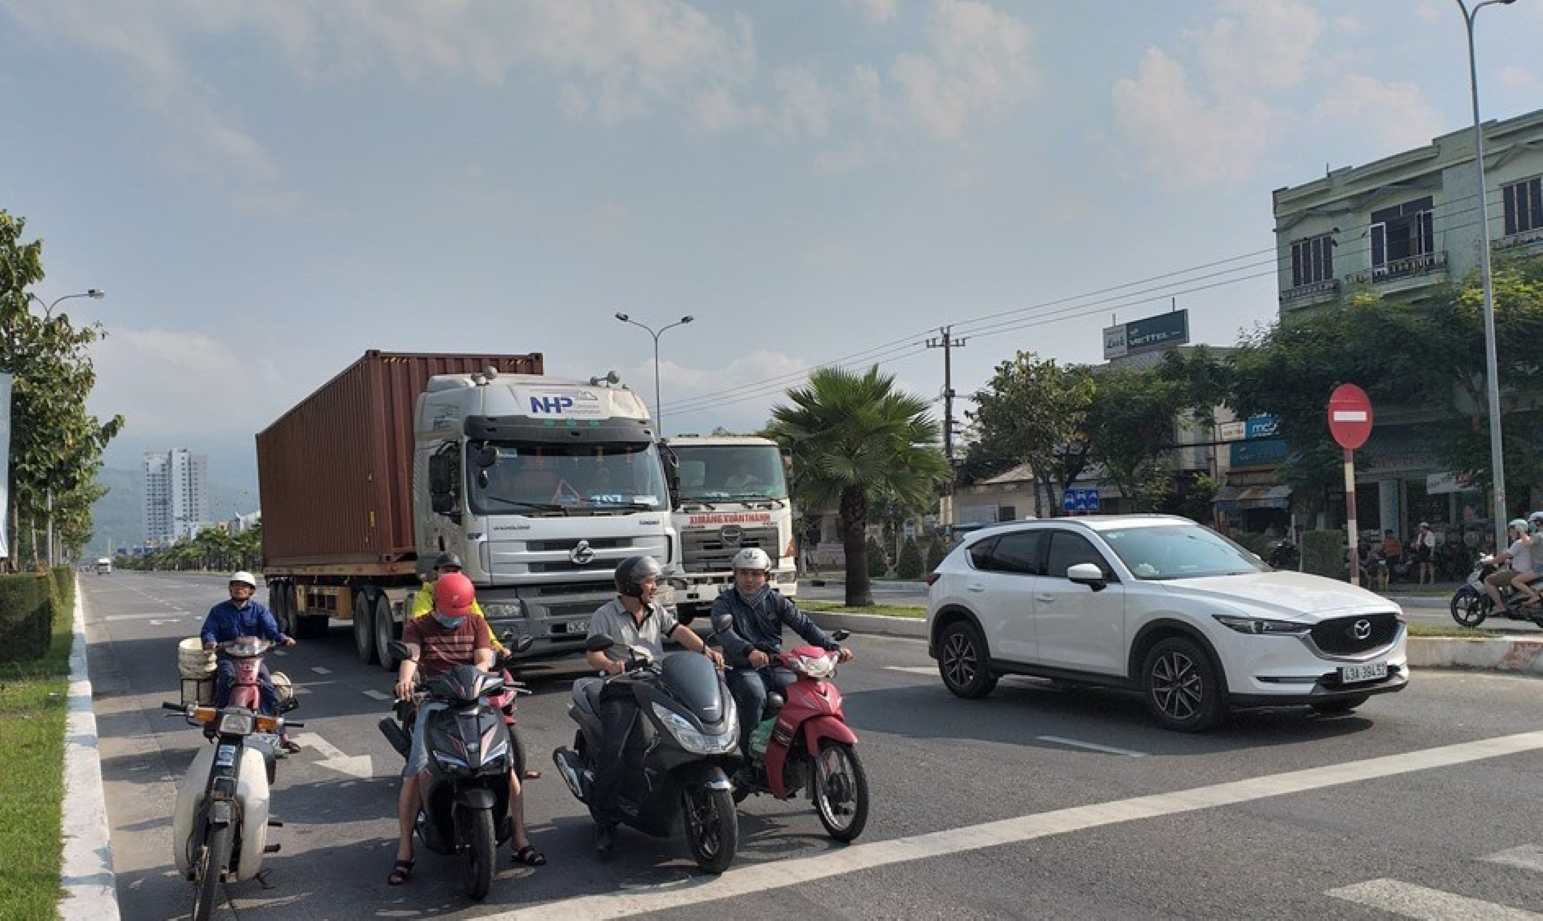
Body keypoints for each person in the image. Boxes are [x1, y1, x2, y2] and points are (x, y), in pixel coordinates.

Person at [388, 573, 542, 885]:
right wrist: (405, 679)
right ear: (436, 603)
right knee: (415, 772)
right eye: (450, 612)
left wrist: (479, 677)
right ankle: (405, 851)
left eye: (460, 611)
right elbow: (411, 657)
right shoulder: (418, 626)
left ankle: (520, 839)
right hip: (435, 703)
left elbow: (483, 659)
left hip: (475, 699)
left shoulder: (475, 622)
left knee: (507, 769)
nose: (455, 618)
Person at [583, 555, 723, 858]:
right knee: (615, 751)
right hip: (621, 688)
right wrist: (612, 665)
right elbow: (593, 655)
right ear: (632, 585)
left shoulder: (655, 610)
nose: (655, 586)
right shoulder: (605, 615)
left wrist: (706, 650)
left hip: (656, 685)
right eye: (650, 581)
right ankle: (605, 820)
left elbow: (679, 632)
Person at [711, 547, 852, 762]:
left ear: (766, 576)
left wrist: (833, 647)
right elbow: (725, 634)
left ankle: (795, 748)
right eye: (743, 573)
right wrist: (749, 650)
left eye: (756, 574)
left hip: (775, 664)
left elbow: (804, 625)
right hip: (742, 667)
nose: (749, 579)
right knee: (754, 694)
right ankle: (751, 756)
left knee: (804, 693)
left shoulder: (776, 600)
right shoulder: (724, 602)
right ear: (735, 575)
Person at [199, 571, 299, 752]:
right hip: (228, 657)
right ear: (230, 588)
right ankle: (215, 719)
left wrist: (282, 638)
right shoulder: (218, 610)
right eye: (235, 585)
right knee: (226, 678)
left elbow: (271, 630)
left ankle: (282, 735)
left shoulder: (259, 610)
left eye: (244, 586)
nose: (239, 589)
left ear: (251, 591)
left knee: (267, 685)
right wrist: (210, 641)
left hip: (254, 659)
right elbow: (209, 630)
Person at [408, 552, 508, 657]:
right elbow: (420, 624)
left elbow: (480, 622)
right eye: (447, 571)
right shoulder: (425, 596)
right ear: (436, 573)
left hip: (464, 649)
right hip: (437, 650)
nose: (451, 574)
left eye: (455, 571)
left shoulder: (466, 594)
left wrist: (494, 643)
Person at [1483, 519, 1535, 614]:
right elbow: (1523, 557)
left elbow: (1504, 556)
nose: (1510, 533)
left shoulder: (1519, 542)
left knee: (1488, 580)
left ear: (1518, 530)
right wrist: (1510, 561)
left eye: (1512, 530)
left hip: (1517, 573)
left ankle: (1500, 607)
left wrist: (1489, 561)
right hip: (1527, 572)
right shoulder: (1528, 540)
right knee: (1502, 575)